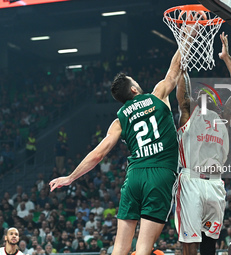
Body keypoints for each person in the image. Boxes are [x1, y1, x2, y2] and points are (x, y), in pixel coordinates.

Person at [49, 47, 183, 255]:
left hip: (134, 176)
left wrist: (70, 177)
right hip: (160, 174)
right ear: (133, 90)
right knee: (144, 248)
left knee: (120, 248)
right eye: (135, 82)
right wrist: (189, 34)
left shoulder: (119, 120)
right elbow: (174, 69)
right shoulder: (157, 95)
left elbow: (98, 154)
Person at [175, 32, 231, 255]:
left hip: (215, 183)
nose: (205, 95)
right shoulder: (188, 113)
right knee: (189, 242)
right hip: (191, 180)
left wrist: (226, 58)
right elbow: (182, 90)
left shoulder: (223, 117)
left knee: (210, 242)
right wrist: (184, 62)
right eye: (200, 93)